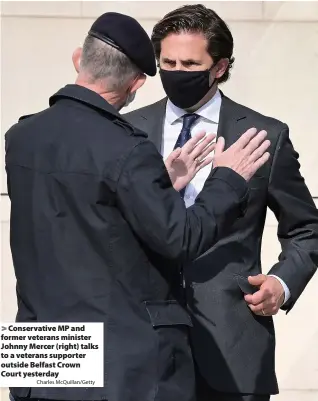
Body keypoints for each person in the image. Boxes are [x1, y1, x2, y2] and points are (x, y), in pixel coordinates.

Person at [5, 12, 270, 401]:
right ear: (135, 83)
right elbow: (181, 239)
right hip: (118, 365)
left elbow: (78, 216)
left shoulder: (21, 136)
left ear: (80, 59)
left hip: (38, 354)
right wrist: (227, 179)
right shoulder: (127, 147)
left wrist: (148, 187)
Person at [124, 4, 318, 401]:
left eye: (190, 63)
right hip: (142, 342)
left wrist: (281, 284)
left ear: (219, 66)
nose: (176, 72)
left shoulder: (266, 134)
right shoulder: (126, 131)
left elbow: (306, 228)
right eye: (168, 62)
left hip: (234, 346)